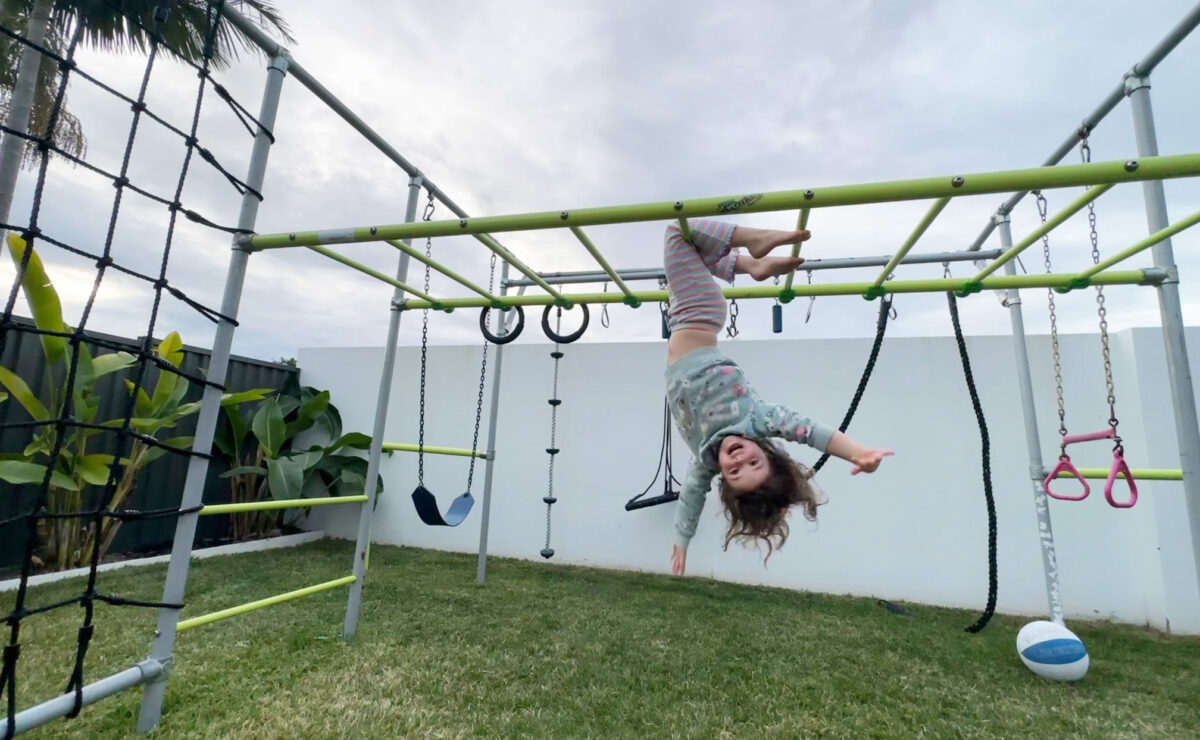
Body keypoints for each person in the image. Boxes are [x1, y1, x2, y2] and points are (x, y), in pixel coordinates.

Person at [663, 219, 893, 576]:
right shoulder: (757, 420)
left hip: (683, 318)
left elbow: (691, 499)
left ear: (723, 478)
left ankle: (752, 265)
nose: (739, 460)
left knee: (695, 248)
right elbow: (811, 431)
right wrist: (858, 452)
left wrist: (682, 540)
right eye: (754, 463)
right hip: (700, 313)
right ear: (769, 452)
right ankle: (754, 243)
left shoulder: (705, 458)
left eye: (736, 472)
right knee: (677, 231)